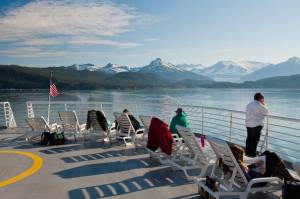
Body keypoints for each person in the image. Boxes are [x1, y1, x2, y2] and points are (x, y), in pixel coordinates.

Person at [223, 144, 297, 182]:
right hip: (256, 179)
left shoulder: (229, 164)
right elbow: (250, 176)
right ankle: (287, 177)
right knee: (272, 156)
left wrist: (251, 165)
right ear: (237, 157)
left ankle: (281, 174)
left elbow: (228, 176)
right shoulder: (239, 166)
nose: (242, 157)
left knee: (267, 153)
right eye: (241, 156)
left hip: (253, 171)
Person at [245, 92, 268, 157]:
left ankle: (247, 153)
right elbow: (266, 112)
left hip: (248, 123)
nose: (263, 100)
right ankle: (253, 154)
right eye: (263, 98)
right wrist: (264, 104)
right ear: (260, 98)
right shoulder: (260, 105)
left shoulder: (249, 104)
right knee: (255, 139)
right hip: (257, 124)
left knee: (249, 138)